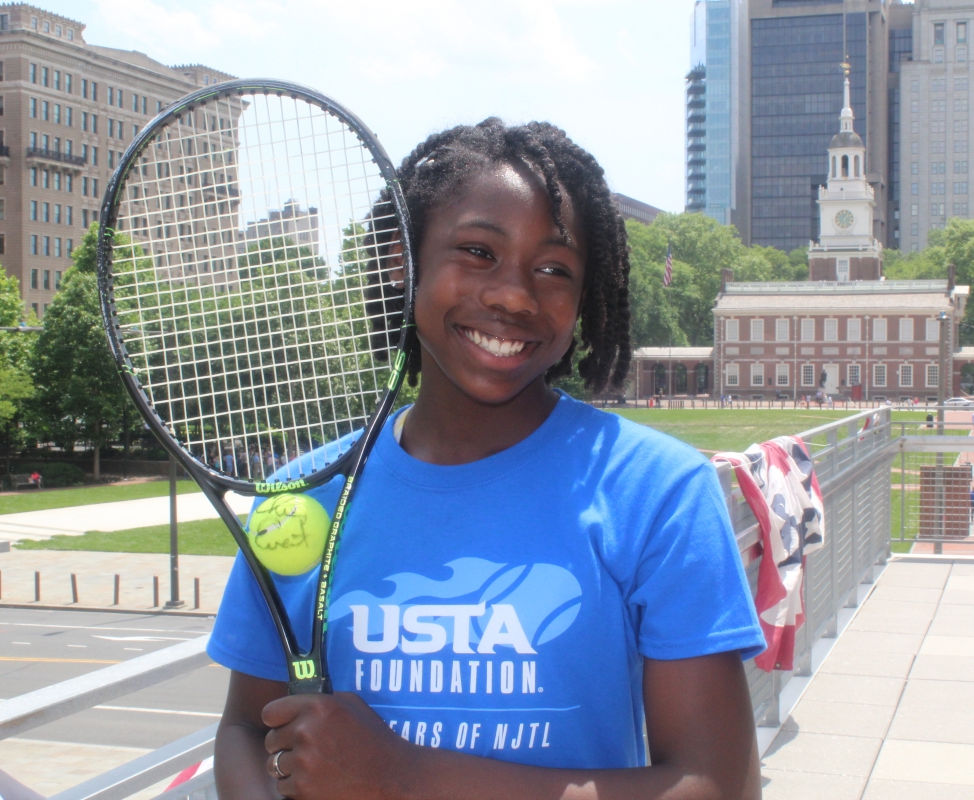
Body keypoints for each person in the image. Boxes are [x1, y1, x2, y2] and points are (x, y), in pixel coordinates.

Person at [208, 119, 767, 799]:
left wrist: (406, 778)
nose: (513, 294)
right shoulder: (303, 498)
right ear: (400, 259)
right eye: (477, 251)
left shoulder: (658, 491)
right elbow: (245, 726)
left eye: (554, 268)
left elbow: (715, 785)